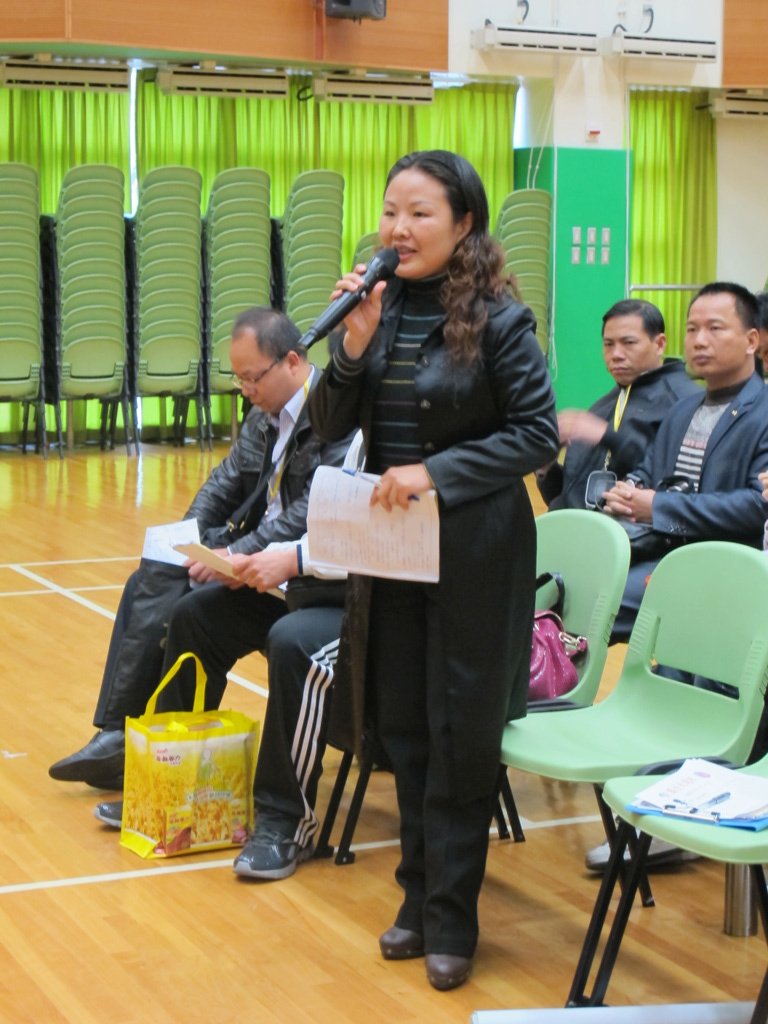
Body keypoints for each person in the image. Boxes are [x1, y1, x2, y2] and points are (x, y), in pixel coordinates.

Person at [308, 150, 560, 991]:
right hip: (391, 554)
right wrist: (352, 346)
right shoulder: (374, 309)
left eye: (420, 212)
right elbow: (326, 427)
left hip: (475, 553)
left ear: (464, 224)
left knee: (461, 735)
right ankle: (416, 900)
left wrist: (436, 473)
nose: (399, 228)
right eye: (391, 211)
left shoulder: (501, 321)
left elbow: (536, 434)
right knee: (406, 727)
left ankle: (454, 917)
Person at [49, 306, 350, 789]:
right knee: (151, 577)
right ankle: (123, 736)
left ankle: (126, 740)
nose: (245, 389)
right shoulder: (263, 414)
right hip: (252, 560)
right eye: (238, 379)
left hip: (296, 573)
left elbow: (311, 511)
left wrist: (239, 553)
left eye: (252, 377)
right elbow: (224, 482)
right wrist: (187, 538)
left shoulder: (333, 416)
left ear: (293, 361)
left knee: (184, 607)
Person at [603, 282, 768, 643]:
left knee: (594, 600)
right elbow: (649, 470)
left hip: (722, 568)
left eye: (714, 328)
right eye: (692, 329)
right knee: (567, 584)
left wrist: (658, 507)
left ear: (751, 341)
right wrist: (629, 490)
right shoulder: (683, 410)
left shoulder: (763, 411)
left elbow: (758, 505)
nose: (699, 340)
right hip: (659, 552)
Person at [536, 298, 700, 509]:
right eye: (608, 344)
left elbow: (677, 488)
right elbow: (568, 497)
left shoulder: (685, 403)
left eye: (629, 343)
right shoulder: (603, 406)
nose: (616, 355)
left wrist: (607, 435)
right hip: (572, 526)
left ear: (659, 344)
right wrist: (546, 468)